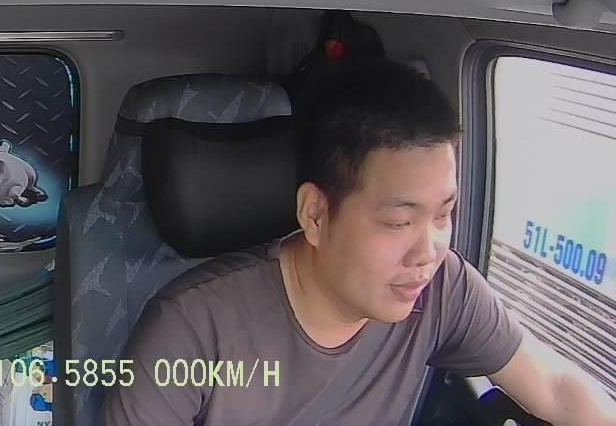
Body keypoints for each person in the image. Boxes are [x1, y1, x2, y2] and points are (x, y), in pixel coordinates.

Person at [103, 58, 616, 426]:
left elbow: (556, 388)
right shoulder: (192, 329)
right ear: (316, 214)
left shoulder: (443, 288)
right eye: (399, 222)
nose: (428, 251)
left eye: (444, 214)